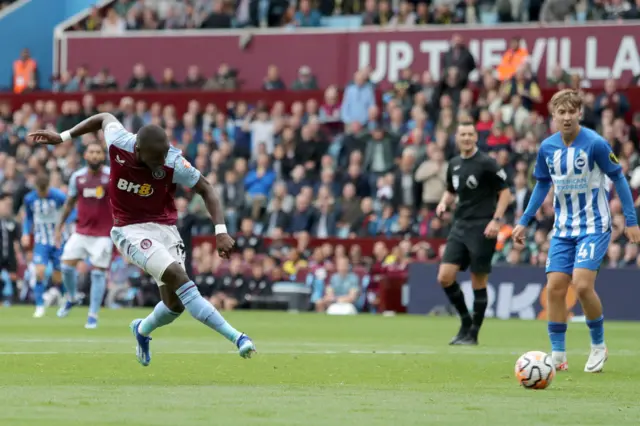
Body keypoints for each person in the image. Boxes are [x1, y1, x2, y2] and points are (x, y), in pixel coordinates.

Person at [30, 113, 256, 366]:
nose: (161, 164)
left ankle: (142, 330)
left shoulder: (172, 162)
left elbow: (206, 188)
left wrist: (221, 230)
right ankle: (237, 337)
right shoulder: (119, 141)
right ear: (137, 149)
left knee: (174, 305)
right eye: (155, 159)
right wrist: (63, 137)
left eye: (163, 157)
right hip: (129, 230)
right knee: (180, 279)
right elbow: (104, 117)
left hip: (165, 228)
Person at [512, 89, 640, 373]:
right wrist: (525, 220)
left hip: (594, 225)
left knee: (582, 285)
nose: (567, 117)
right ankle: (558, 355)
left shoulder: (594, 143)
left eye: (572, 111)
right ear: (553, 116)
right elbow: (542, 185)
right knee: (556, 287)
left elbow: (618, 179)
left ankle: (598, 345)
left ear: (580, 113)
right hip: (563, 228)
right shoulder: (547, 147)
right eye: (562, 112)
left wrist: (631, 220)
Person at [435, 121, 512, 345]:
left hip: (482, 227)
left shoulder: (487, 163)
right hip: (459, 225)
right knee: (445, 277)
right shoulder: (455, 163)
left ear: (476, 137)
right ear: (457, 138)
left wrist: (496, 220)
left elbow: (505, 193)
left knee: (478, 280)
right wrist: (442, 203)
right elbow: (451, 190)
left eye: (470, 134)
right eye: (463, 134)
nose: (466, 138)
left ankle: (473, 334)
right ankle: (465, 322)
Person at [55, 141, 113, 329]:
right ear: (85, 156)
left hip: (103, 234)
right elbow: (70, 202)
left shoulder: (111, 177)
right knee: (66, 266)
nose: (95, 155)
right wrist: (59, 226)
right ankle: (72, 297)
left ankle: (92, 315)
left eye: (98, 152)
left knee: (97, 273)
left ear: (102, 156)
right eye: (91, 152)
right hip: (81, 231)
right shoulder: (77, 177)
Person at [21, 170, 70, 318]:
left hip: (58, 241)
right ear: (36, 187)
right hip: (41, 240)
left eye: (45, 190)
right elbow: (28, 218)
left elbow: (71, 210)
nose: (42, 193)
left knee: (57, 276)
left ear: (48, 186)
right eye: (40, 190)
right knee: (39, 272)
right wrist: (25, 232)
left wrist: (62, 226)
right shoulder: (30, 199)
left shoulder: (58, 196)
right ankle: (40, 306)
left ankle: (64, 299)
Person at [0, 193, 21, 306]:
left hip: (9, 257)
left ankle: (14, 301)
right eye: (6, 204)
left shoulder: (12, 222)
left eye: (10, 205)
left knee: (13, 280)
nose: (8, 207)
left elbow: (17, 241)